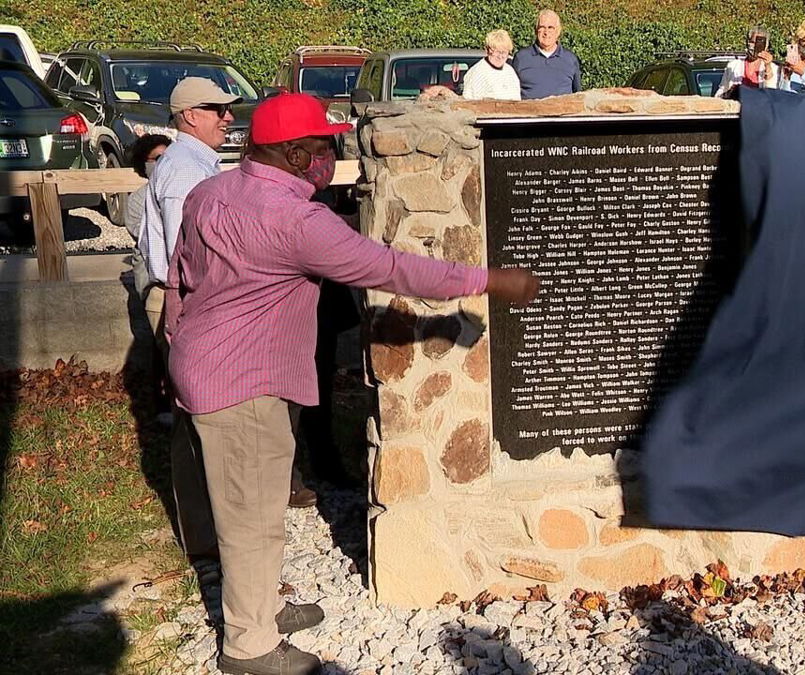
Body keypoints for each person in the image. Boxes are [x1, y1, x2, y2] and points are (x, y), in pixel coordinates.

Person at [167, 93, 539, 674]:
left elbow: (180, 276)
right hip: (246, 382)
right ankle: (250, 645)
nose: (329, 156)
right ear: (294, 154)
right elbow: (389, 267)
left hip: (202, 364)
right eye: (322, 147)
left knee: (241, 505)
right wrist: (486, 279)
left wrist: (177, 336)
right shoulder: (297, 220)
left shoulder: (209, 194)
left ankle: (255, 606)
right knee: (252, 517)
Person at [138, 77, 241, 562]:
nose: (227, 116)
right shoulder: (183, 170)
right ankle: (207, 538)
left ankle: (209, 533)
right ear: (187, 116)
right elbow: (190, 252)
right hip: (189, 300)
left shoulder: (195, 162)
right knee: (201, 423)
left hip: (191, 298)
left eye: (226, 108)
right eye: (215, 108)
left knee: (201, 421)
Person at [123, 134, 172, 301]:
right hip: (151, 272)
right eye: (158, 158)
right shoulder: (136, 199)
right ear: (144, 164)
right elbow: (143, 235)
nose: (163, 163)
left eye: (168, 157)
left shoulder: (182, 190)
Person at [511, 9, 582, 99]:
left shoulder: (570, 59)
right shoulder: (521, 58)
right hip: (528, 112)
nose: (546, 32)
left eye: (550, 27)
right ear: (536, 31)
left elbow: (577, 95)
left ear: (558, 31)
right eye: (542, 27)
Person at [714, 26, 779, 99]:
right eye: (752, 42)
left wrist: (768, 66)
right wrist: (730, 93)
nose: (755, 46)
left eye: (759, 43)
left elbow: (772, 94)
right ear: (747, 43)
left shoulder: (773, 68)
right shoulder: (733, 66)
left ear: (765, 47)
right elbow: (721, 91)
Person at [462, 29, 521, 101]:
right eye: (497, 51)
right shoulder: (478, 73)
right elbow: (468, 103)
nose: (500, 56)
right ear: (487, 50)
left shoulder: (510, 71)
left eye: (504, 52)